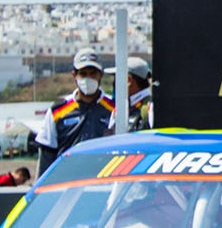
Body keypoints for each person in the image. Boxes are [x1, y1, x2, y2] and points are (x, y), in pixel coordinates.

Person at [35, 47, 115, 176]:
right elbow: (46, 155)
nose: (88, 78)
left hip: (103, 182)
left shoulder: (114, 108)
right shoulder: (57, 111)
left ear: (101, 74)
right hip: (67, 183)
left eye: (92, 73)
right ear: (74, 75)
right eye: (83, 74)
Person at [106, 56, 153, 131]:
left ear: (129, 80)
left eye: (116, 78)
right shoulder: (119, 110)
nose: (113, 83)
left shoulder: (150, 108)